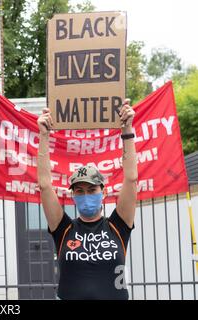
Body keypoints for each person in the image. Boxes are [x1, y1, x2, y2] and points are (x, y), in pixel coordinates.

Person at [37, 99, 137, 300]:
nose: (86, 195)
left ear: (104, 192)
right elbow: (45, 185)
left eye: (92, 190)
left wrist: (127, 128)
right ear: (73, 195)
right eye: (79, 191)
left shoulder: (119, 225)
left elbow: (131, 178)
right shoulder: (63, 228)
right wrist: (44, 135)